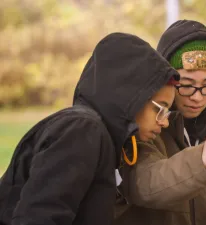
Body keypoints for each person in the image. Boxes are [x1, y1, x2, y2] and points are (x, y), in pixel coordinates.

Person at [0, 32, 181, 225]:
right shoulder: (83, 130)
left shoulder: (103, 137)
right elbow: (40, 217)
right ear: (131, 96)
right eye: (160, 109)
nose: (165, 122)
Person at [114, 20, 206, 225]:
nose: (197, 97)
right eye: (186, 85)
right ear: (165, 81)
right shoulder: (144, 130)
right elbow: (145, 185)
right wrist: (202, 160)